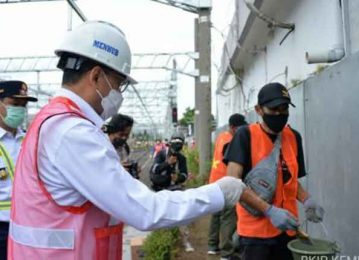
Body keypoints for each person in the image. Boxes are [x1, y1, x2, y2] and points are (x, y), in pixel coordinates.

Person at [8, 20, 246, 259]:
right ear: (96, 75)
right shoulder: (72, 132)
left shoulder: (52, 120)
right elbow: (146, 211)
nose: (118, 94)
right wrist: (217, 193)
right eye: (119, 84)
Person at [225, 82, 325, 260]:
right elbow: (233, 184)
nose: (279, 114)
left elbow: (289, 180)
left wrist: (307, 199)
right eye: (273, 109)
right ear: (259, 110)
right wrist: (269, 210)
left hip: (287, 231)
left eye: (284, 108)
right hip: (255, 235)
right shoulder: (245, 136)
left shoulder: (293, 137)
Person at [0, 80, 38, 260]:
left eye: (23, 105)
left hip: (29, 225)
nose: (20, 110)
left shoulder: (30, 141)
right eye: (14, 104)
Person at [207, 113, 247, 259]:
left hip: (214, 182)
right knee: (228, 218)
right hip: (225, 185)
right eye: (239, 128)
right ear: (232, 127)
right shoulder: (231, 141)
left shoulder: (221, 136)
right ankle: (226, 252)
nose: (242, 130)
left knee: (216, 215)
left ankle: (212, 245)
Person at [150, 132, 194, 252]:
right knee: (160, 216)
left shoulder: (182, 158)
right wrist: (167, 163)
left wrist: (178, 178)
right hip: (160, 188)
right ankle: (161, 243)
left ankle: (185, 241)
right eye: (175, 144)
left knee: (182, 214)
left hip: (175, 188)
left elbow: (184, 174)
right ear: (170, 143)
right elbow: (154, 169)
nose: (176, 147)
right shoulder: (161, 154)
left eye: (179, 144)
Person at [102, 114, 140, 178]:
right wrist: (116, 169)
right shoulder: (100, 148)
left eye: (127, 135)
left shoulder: (124, 148)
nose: (124, 138)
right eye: (121, 134)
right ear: (110, 131)